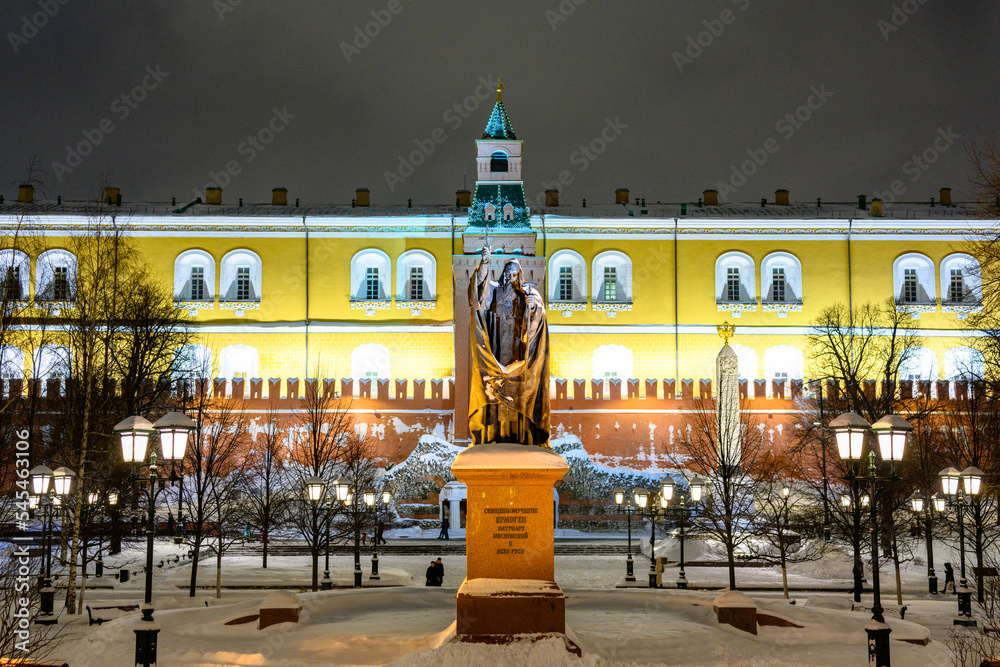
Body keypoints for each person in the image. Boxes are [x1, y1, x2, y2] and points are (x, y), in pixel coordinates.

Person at [468, 248, 550, 447]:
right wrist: (485, 264)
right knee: (495, 387)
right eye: (507, 273)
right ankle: (492, 434)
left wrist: (532, 306)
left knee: (519, 389)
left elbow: (538, 317)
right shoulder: (494, 290)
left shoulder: (528, 293)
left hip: (518, 349)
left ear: (519, 275)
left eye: (514, 274)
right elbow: (479, 298)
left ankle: (522, 436)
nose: (509, 277)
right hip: (496, 346)